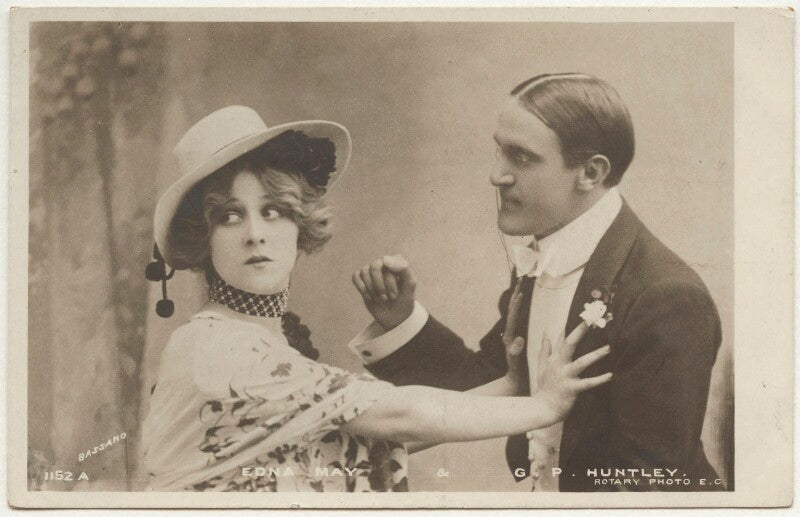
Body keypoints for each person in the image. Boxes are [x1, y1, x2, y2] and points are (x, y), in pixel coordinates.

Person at [140, 105, 612, 492]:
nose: (255, 235)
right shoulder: (217, 350)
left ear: (300, 225)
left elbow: (355, 437)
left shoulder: (262, 341)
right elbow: (398, 415)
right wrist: (545, 407)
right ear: (202, 240)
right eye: (229, 217)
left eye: (274, 211)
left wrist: (511, 386)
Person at [350, 73, 724, 492]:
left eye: (521, 158)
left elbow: (648, 487)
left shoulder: (667, 297)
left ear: (591, 172)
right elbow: (490, 386)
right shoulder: (543, 258)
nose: (497, 175)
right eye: (500, 151)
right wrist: (401, 320)